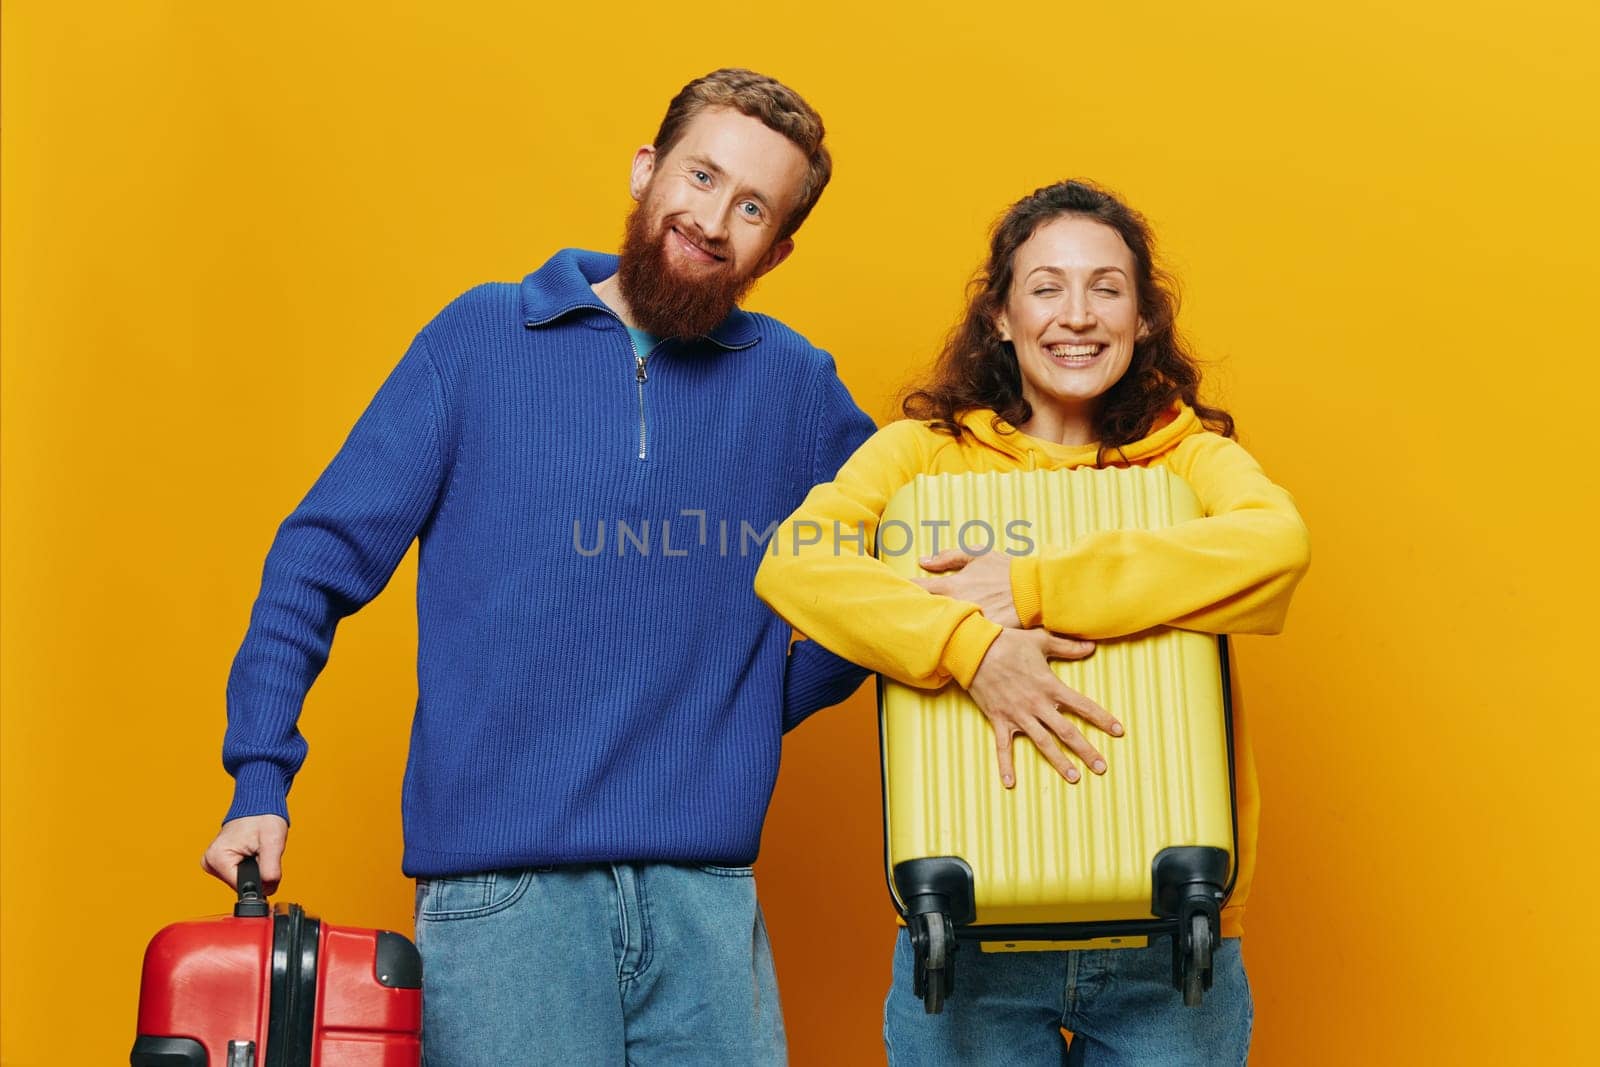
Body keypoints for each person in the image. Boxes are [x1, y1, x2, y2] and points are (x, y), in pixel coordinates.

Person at [200, 68, 876, 1065]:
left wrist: (756, 693)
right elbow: (316, 556)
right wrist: (260, 770)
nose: (711, 219)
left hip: (705, 899)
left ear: (773, 248)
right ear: (647, 169)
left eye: (750, 207)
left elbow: (907, 555)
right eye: (700, 175)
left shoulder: (792, 382)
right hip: (500, 903)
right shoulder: (481, 337)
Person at [753, 179, 1311, 1064]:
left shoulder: (1191, 456)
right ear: (1003, 318)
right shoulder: (921, 458)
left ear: (1144, 318)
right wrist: (970, 648)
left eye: (1107, 287)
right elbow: (795, 562)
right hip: (967, 945)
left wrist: (1033, 584)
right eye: (1046, 286)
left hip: (1169, 948)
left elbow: (1275, 546)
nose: (1077, 315)